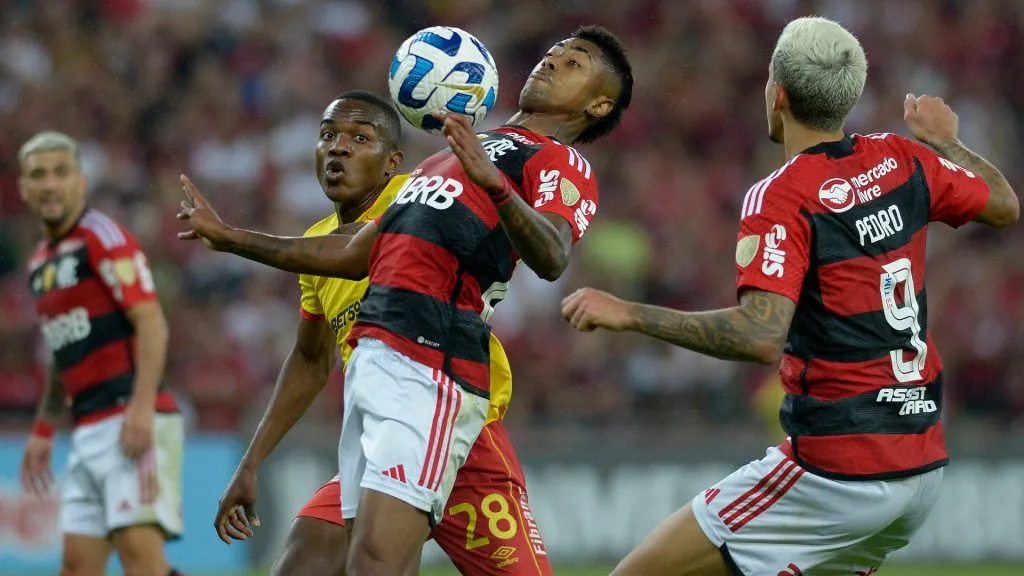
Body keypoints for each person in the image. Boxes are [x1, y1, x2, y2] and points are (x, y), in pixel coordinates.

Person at [561, 16, 1018, 576]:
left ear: (776, 94)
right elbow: (1003, 205)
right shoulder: (904, 158)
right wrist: (946, 141)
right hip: (920, 467)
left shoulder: (782, 194)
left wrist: (630, 314)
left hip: (839, 471)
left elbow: (758, 336)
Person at [178, 25, 633, 576]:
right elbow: (352, 252)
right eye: (553, 52)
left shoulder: (559, 161)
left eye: (575, 62)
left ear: (598, 103)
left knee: (375, 562)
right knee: (337, 563)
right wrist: (228, 237)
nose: (552, 61)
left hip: (432, 361)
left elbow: (553, 254)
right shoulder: (450, 157)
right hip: (375, 362)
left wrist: (493, 184)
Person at [17, 131, 185, 576]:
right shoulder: (40, 263)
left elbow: (151, 322)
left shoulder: (102, 236)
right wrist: (43, 429)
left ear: (81, 181)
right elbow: (64, 349)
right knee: (76, 567)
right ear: (24, 188)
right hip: (86, 428)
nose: (50, 184)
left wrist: (141, 407)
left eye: (60, 173)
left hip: (129, 418)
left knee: (141, 561)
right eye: (38, 175)